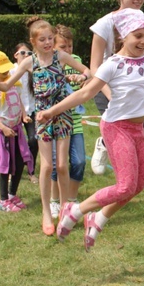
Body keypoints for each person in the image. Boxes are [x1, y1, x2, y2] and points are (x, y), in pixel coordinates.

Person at [38, 9, 144, 250]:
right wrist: (53, 110)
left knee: (138, 186)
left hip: (137, 129)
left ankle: (97, 218)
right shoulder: (113, 64)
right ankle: (75, 210)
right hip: (116, 127)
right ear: (123, 36)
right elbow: (86, 92)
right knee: (125, 186)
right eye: (137, 36)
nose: (143, 41)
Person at [0, 18, 90, 236]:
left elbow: (88, 71)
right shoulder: (29, 63)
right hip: (43, 118)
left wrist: (80, 76)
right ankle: (46, 212)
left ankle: (65, 210)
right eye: (43, 39)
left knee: (63, 166)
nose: (47, 43)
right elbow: (8, 85)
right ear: (33, 41)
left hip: (63, 114)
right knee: (47, 167)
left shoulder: (61, 56)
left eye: (50, 39)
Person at [88, 0, 144, 175]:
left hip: (133, 86)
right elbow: (94, 67)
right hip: (106, 85)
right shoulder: (105, 23)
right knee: (119, 131)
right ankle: (107, 146)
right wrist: (111, 94)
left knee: (142, 129)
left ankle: (126, 181)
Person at [0, 50, 33, 212]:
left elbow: (18, 102)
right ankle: (3, 200)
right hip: (2, 132)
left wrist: (24, 116)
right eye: (1, 68)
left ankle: (12, 195)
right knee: (4, 166)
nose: (5, 71)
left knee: (20, 163)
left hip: (16, 130)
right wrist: (3, 128)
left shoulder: (14, 83)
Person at [49, 25, 86, 219]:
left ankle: (71, 199)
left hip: (75, 121)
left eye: (70, 46)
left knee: (79, 161)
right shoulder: (49, 64)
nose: (69, 50)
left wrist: (82, 79)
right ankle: (55, 200)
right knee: (57, 165)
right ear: (53, 47)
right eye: (64, 46)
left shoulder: (77, 61)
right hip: (56, 123)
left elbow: (88, 77)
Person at [12, 43, 38, 184]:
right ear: (15, 55)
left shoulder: (33, 71)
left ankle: (31, 171)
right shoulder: (11, 71)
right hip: (14, 112)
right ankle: (10, 170)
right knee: (13, 143)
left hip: (31, 111)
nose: (26, 56)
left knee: (34, 140)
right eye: (23, 53)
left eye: (29, 54)